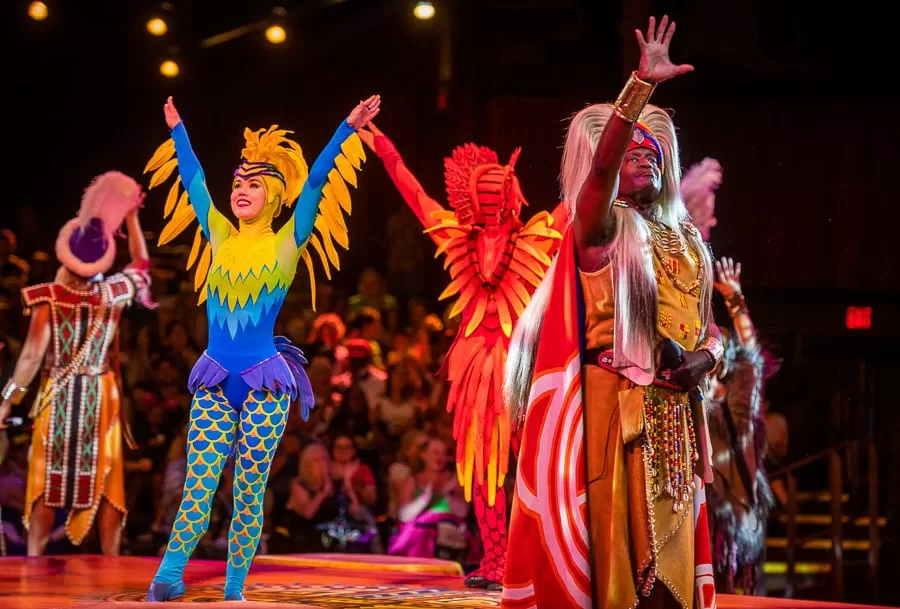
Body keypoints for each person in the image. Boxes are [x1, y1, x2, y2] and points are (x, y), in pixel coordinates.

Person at [502, 17, 722, 609]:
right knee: (620, 571)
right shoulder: (600, 228)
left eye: (652, 154)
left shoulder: (690, 242)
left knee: (674, 575)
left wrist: (704, 358)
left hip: (678, 420)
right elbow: (597, 172)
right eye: (630, 153)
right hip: (614, 412)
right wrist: (639, 88)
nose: (642, 159)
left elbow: (712, 330)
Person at [144, 94, 380, 602]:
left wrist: (344, 127)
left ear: (275, 197)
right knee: (199, 488)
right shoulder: (220, 236)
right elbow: (194, 182)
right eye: (238, 183)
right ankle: (168, 576)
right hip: (214, 373)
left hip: (265, 382)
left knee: (249, 491)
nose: (241, 190)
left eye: (254, 184)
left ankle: (233, 589)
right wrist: (179, 131)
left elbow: (316, 181)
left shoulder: (288, 241)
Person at [358, 119, 566, 589]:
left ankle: (531, 557)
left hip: (520, 369)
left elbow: (580, 198)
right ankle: (497, 558)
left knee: (533, 465)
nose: (493, 202)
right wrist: (385, 147)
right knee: (484, 471)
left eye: (498, 191)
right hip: (476, 373)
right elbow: (416, 198)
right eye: (486, 193)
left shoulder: (533, 237)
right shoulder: (458, 238)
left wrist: (613, 133)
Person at [0, 172, 153, 556]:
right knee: (105, 483)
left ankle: (34, 558)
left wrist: (5, 401)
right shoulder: (113, 293)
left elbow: (32, 357)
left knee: (45, 484)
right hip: (100, 396)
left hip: (58, 392)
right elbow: (141, 263)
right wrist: (132, 217)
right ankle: (112, 562)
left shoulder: (49, 299)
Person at [706, 257, 777, 594]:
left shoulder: (738, 400)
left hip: (731, 520)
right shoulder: (690, 397)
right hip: (697, 516)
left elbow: (750, 352)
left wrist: (734, 300)